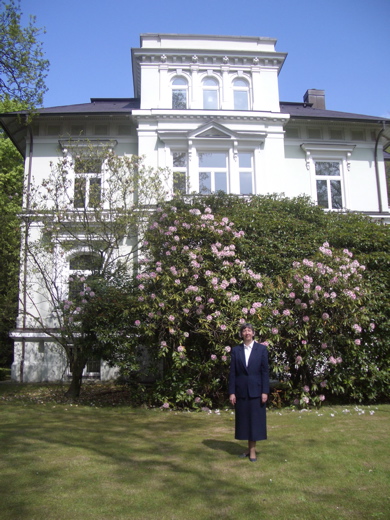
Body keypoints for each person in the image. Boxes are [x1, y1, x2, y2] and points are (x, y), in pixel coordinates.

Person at [229, 323, 269, 462]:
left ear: (253, 333)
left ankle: (252, 451)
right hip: (241, 392)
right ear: (241, 334)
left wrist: (265, 391)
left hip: (256, 391)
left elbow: (265, 372)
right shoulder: (236, 350)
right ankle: (249, 448)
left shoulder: (261, 350)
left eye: (249, 330)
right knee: (244, 422)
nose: (247, 333)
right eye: (244, 331)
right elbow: (233, 373)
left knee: (255, 422)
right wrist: (232, 392)